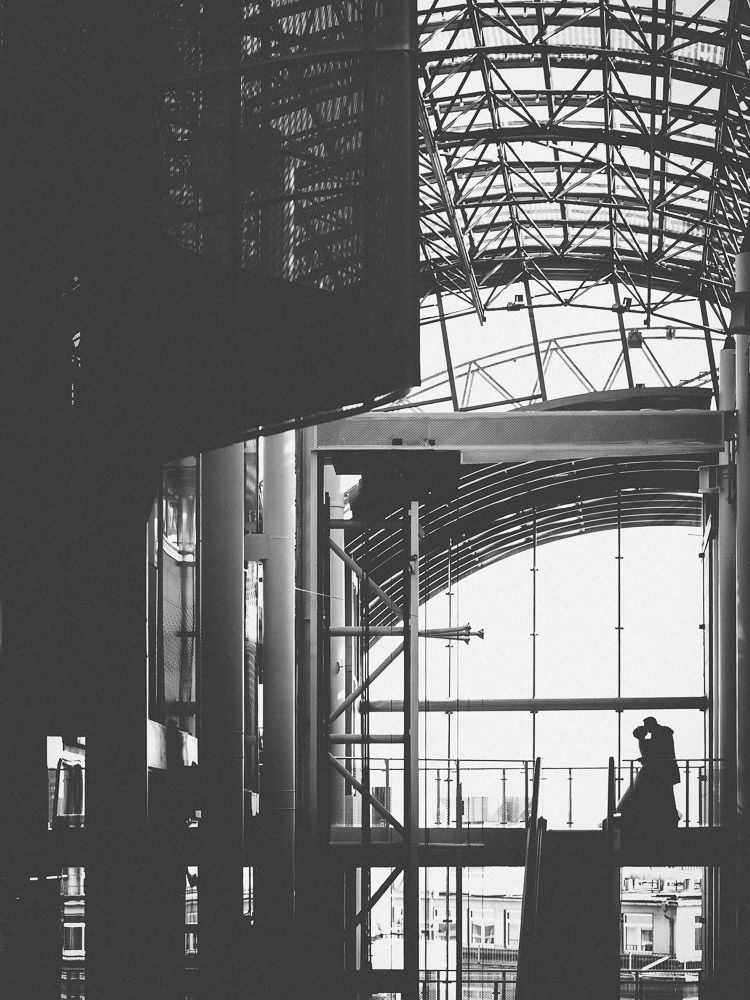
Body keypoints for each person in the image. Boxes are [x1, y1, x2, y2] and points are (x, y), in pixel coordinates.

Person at [616, 716, 680, 836]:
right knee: (665, 795)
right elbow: (659, 750)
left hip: (661, 770)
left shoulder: (660, 734)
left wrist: (645, 752)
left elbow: (657, 751)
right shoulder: (663, 732)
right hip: (664, 770)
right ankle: (666, 818)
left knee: (662, 795)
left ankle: (663, 818)